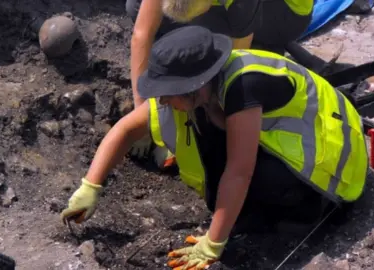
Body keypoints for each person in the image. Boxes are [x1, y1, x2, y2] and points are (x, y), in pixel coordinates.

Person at [60, 26, 368, 270]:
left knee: (263, 176)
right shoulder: (196, 92)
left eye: (168, 93)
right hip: (289, 141)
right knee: (210, 137)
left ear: (196, 86)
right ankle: (253, 212)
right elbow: (126, 129)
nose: (162, 100)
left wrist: (213, 242)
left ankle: (304, 210)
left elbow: (239, 171)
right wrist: (91, 186)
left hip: (335, 157)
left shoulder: (244, 84)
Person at [126, 0, 318, 168]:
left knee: (208, 29)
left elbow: (233, 66)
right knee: (136, 6)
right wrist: (142, 117)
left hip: (288, 12)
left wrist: (203, 117)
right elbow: (141, 34)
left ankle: (266, 43)